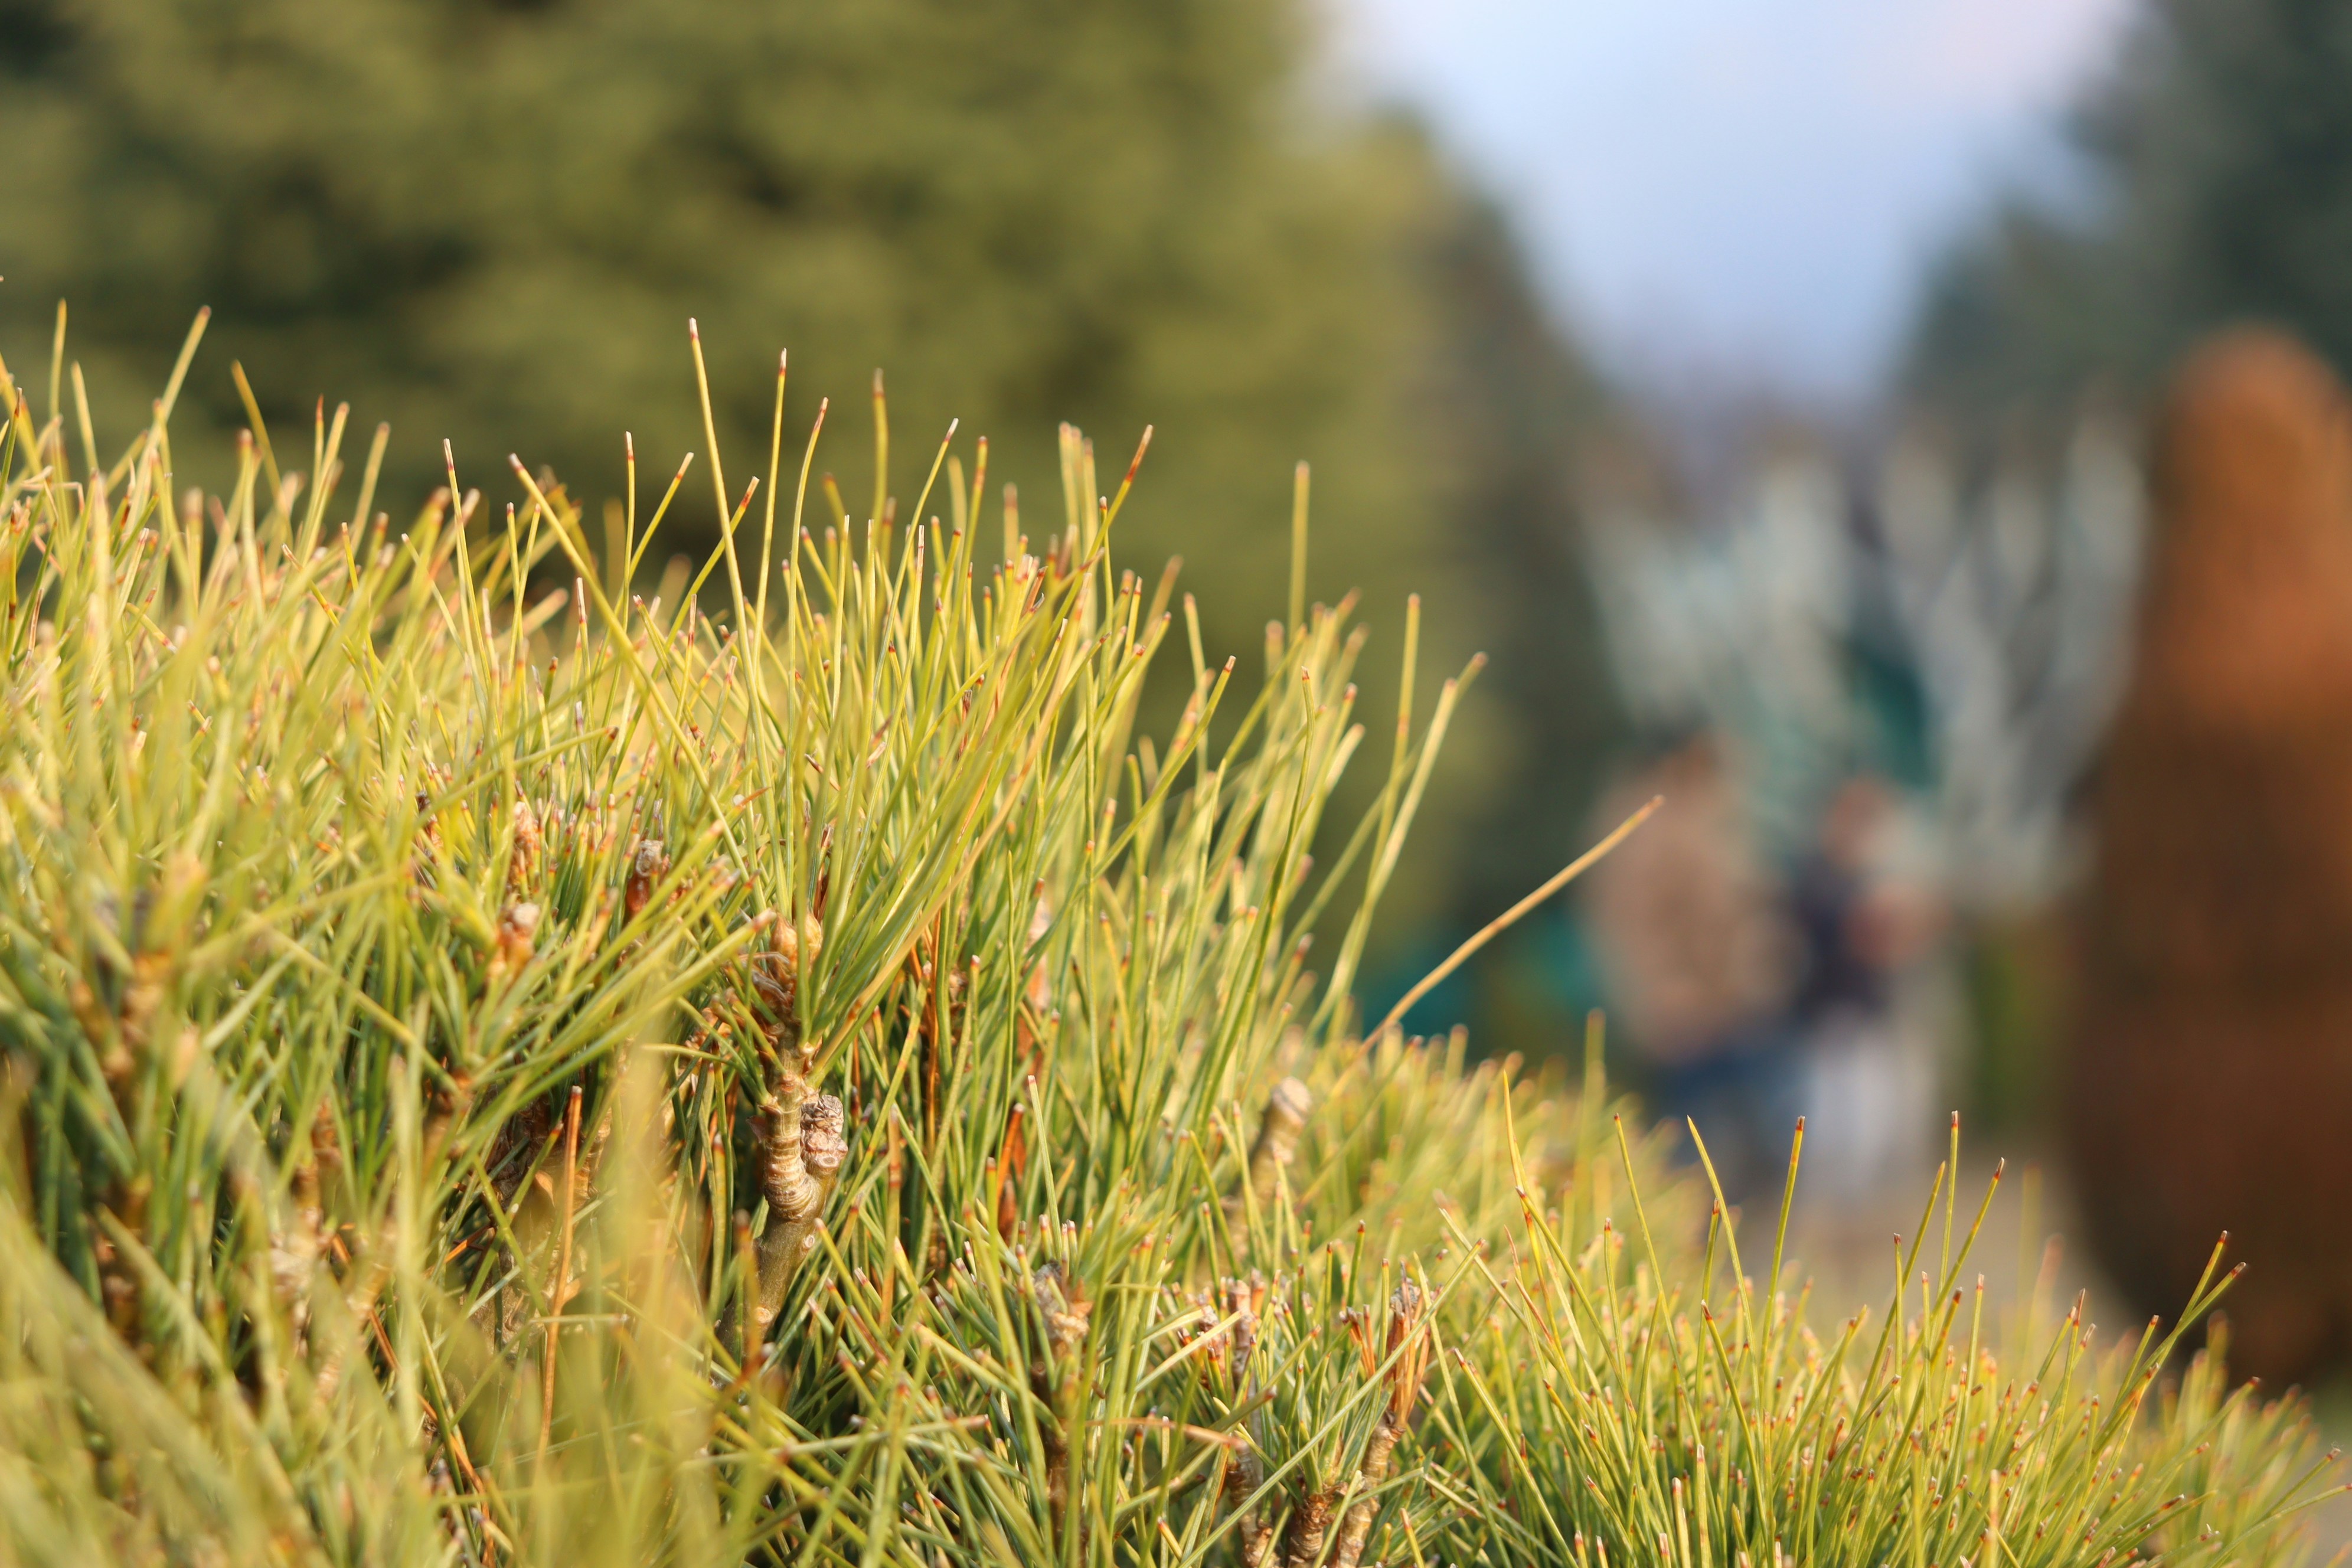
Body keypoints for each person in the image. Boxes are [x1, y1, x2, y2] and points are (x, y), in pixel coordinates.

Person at [1586, 729, 1800, 1198]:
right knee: (1691, 1141)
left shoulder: (1711, 815)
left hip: (1733, 1003)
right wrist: (1661, 994)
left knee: (1762, 1134)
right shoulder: (1646, 821)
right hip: (1685, 1011)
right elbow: (1630, 923)